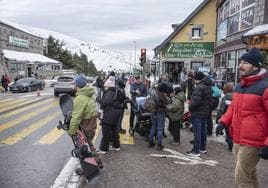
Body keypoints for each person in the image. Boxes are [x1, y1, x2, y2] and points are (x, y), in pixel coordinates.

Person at [216, 48, 268, 188]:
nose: (240, 66)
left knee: (241, 178)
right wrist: (223, 122)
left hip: (253, 141)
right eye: (240, 62)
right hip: (238, 137)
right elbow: (233, 108)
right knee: (249, 173)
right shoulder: (240, 86)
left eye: (245, 62)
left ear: (256, 66)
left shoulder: (265, 86)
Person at [67, 74, 103, 170]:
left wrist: (71, 131)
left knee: (84, 149)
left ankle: (89, 168)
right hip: (91, 126)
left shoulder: (80, 99)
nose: (74, 85)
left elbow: (76, 118)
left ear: (77, 85)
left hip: (85, 128)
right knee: (90, 146)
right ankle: (98, 162)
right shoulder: (89, 95)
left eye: (75, 83)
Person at [187, 71, 212, 157]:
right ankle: (202, 148)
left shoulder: (199, 87)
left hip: (197, 112)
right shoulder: (208, 86)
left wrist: (190, 107)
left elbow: (195, 101)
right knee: (203, 131)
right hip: (205, 112)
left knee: (197, 132)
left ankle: (195, 150)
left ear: (196, 79)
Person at [99, 76, 123, 153]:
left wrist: (97, 99)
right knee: (114, 130)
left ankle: (104, 149)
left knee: (106, 132)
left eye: (106, 86)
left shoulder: (109, 93)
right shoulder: (116, 90)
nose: (105, 87)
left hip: (109, 114)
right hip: (115, 113)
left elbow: (106, 102)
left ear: (108, 86)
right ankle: (116, 146)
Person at [148, 82, 171, 150]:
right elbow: (169, 101)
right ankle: (159, 144)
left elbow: (149, 89)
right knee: (160, 129)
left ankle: (150, 142)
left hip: (153, 111)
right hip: (160, 113)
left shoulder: (152, 92)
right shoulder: (162, 95)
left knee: (153, 127)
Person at [216, 84, 233, 151]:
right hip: (235, 117)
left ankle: (230, 146)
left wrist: (218, 118)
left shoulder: (225, 97)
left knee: (228, 132)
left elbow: (221, 109)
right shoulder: (236, 96)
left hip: (227, 117)